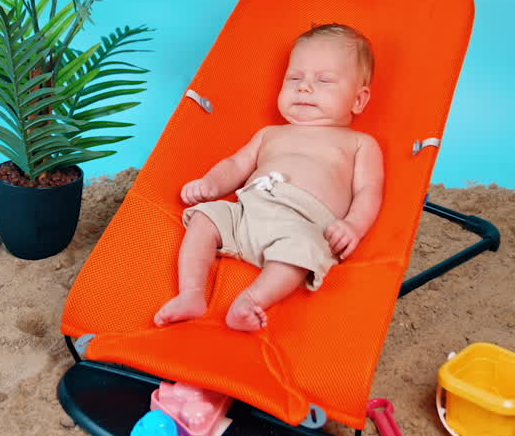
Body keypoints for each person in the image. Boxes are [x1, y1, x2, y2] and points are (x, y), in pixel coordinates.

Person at [154, 23, 385, 332]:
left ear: (358, 100)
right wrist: (211, 184)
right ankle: (191, 293)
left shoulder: (360, 144)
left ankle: (252, 300)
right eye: (295, 78)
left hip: (302, 224)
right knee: (204, 219)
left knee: (302, 251)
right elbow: (236, 165)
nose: (304, 87)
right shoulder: (269, 134)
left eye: (324, 80)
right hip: (247, 211)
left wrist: (354, 225)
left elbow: (369, 190)